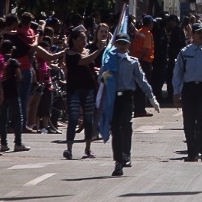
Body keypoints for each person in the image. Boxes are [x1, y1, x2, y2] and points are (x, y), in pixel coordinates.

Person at [103, 33, 159, 177]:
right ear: (116, 44)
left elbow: (142, 80)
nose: (122, 46)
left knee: (126, 125)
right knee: (115, 129)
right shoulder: (109, 60)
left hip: (127, 97)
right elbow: (102, 78)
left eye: (124, 43)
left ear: (129, 45)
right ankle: (118, 161)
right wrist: (105, 77)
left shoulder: (132, 62)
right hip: (113, 97)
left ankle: (126, 153)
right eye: (119, 43)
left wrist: (151, 98)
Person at [173, 22, 202, 163]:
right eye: (198, 33)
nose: (201, 35)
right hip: (189, 90)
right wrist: (176, 92)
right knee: (189, 122)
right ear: (192, 34)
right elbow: (178, 73)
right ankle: (192, 153)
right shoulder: (185, 52)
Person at [63, 29, 102, 160]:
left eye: (85, 38)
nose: (84, 41)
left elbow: (90, 65)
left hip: (89, 88)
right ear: (74, 40)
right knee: (73, 118)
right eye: (81, 38)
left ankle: (88, 148)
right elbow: (83, 61)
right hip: (74, 89)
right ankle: (69, 148)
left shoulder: (87, 51)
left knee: (88, 119)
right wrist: (99, 50)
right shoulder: (70, 53)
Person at [131, 16, 155, 117]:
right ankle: (140, 110)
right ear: (149, 23)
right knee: (143, 86)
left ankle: (138, 108)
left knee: (137, 87)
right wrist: (139, 60)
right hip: (143, 61)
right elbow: (145, 49)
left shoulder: (138, 32)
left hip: (136, 59)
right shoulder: (148, 33)